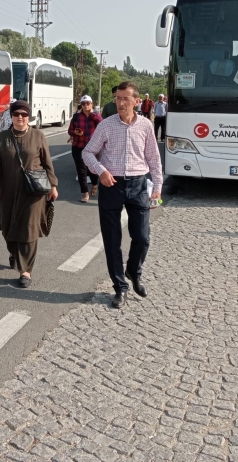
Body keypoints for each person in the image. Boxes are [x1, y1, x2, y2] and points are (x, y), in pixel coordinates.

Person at [82, 81, 162, 309]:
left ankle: (133, 271)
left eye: (125, 98)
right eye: (117, 98)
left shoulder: (146, 126)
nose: (120, 102)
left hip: (138, 184)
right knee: (112, 240)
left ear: (137, 101)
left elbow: (154, 160)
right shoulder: (106, 125)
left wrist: (157, 189)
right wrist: (101, 171)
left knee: (143, 237)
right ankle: (120, 287)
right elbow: (88, 153)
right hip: (111, 185)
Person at [0, 100, 58, 288]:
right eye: (16, 114)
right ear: (11, 116)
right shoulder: (3, 138)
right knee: (7, 226)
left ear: (29, 116)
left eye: (24, 114)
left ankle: (26, 270)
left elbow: (47, 162)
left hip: (33, 192)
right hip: (7, 190)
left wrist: (53, 186)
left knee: (29, 228)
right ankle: (14, 253)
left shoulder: (38, 135)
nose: (20, 117)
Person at [68, 94, 102, 202]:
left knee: (92, 168)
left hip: (93, 147)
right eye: (83, 103)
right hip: (78, 146)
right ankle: (85, 193)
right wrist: (75, 133)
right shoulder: (77, 116)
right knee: (81, 170)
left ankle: (94, 184)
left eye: (88, 103)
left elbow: (102, 126)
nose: (85, 105)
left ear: (91, 104)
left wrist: (92, 115)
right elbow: (70, 130)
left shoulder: (96, 115)